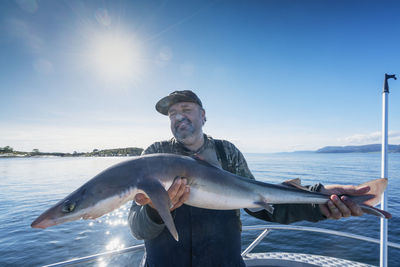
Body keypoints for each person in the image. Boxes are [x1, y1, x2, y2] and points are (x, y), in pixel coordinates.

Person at [128, 90, 368, 267]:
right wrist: (155, 209)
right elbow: (137, 227)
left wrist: (319, 202)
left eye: (186, 110)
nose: (178, 117)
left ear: (203, 115)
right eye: (172, 114)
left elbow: (261, 205)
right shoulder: (153, 155)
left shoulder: (227, 153)